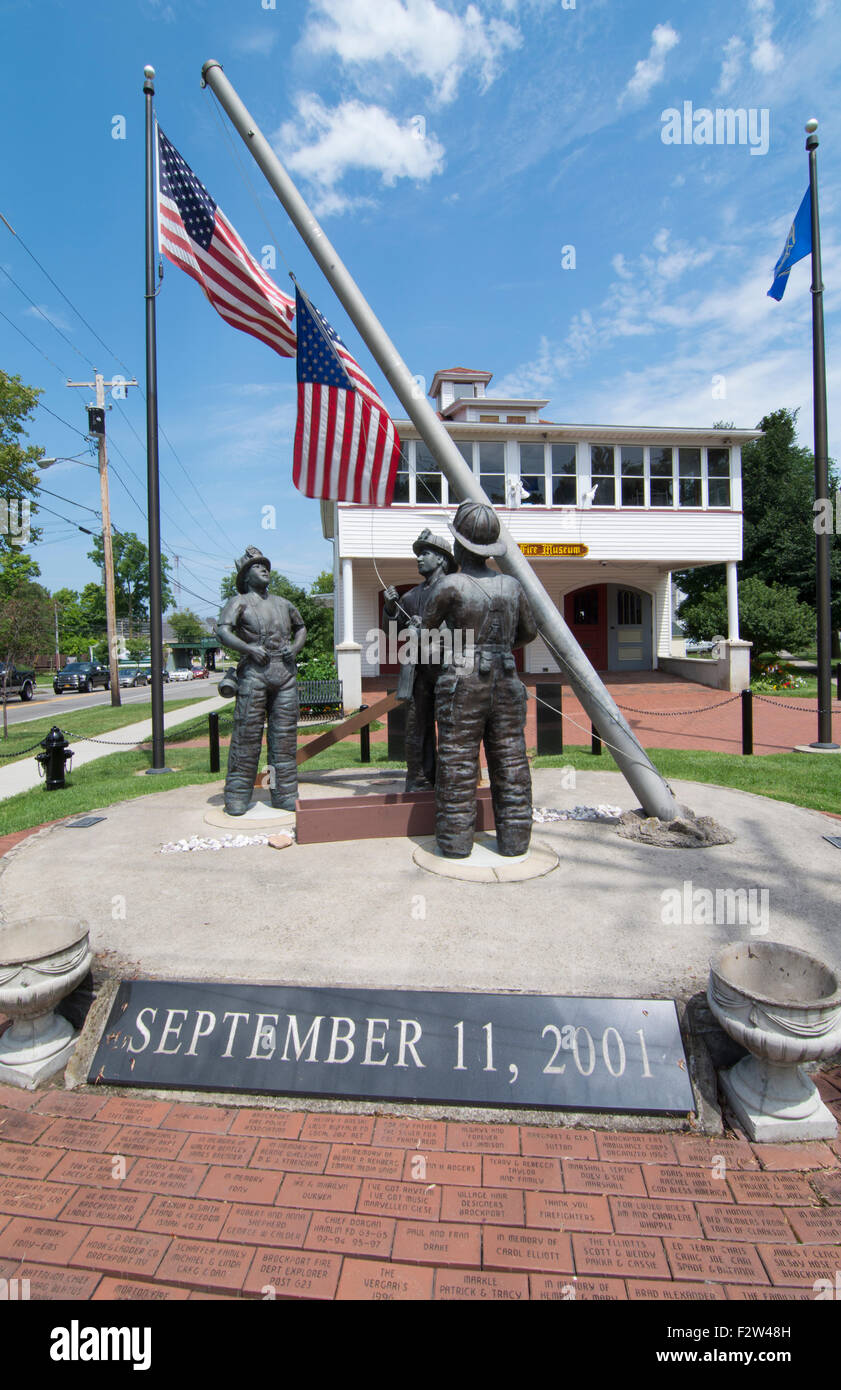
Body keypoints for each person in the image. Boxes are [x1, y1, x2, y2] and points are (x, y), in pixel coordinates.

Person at [422, 501, 537, 858]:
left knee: (457, 760)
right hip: (506, 677)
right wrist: (498, 648)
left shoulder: (450, 586)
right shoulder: (512, 585)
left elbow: (425, 631)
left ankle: (456, 843)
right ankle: (514, 841)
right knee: (511, 759)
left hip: (462, 681)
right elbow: (529, 633)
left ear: (458, 546)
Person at [215, 547, 307, 815]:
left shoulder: (283, 603)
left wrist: (296, 647)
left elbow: (300, 627)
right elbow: (223, 631)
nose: (264, 569)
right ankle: (237, 795)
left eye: (266, 565)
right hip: (254, 675)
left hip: (285, 676)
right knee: (247, 736)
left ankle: (284, 793)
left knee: (284, 740)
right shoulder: (239, 601)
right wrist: (248, 648)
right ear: (245, 576)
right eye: (257, 567)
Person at [382, 529, 456, 792]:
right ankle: (420, 779)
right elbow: (392, 633)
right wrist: (391, 610)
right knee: (418, 727)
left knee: (452, 726)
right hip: (419, 675)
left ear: (442, 559)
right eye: (418, 554)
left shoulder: (456, 588)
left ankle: (451, 781)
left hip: (450, 670)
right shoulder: (411, 597)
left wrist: (428, 630)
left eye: (425, 553)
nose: (418, 559)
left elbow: (466, 630)